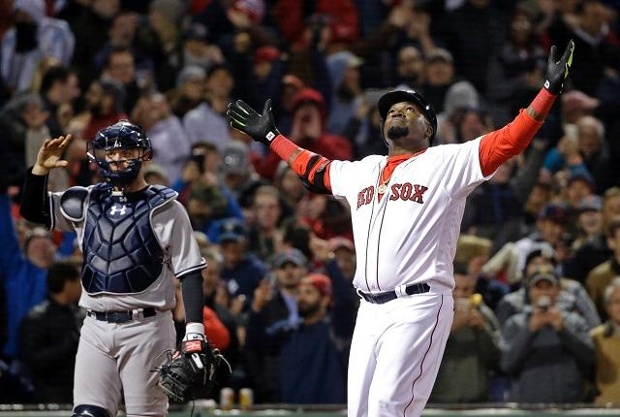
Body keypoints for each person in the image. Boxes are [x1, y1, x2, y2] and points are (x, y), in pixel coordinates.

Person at [227, 40, 575, 416]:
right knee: (360, 412)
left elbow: (508, 141)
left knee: (386, 410)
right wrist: (271, 138)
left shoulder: (446, 162)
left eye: (410, 109)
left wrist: (548, 92)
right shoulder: (363, 169)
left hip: (418, 303)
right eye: (392, 110)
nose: (398, 113)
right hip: (369, 309)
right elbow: (315, 170)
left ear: (428, 127)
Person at [19, 120, 213, 417]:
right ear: (98, 157)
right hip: (95, 325)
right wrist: (40, 171)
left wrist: (194, 332)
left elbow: (189, 272)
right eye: (109, 152)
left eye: (126, 151)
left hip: (146, 326)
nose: (117, 158)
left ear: (143, 154)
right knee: (86, 414)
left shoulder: (166, 207)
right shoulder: (86, 199)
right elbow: (33, 212)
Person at [19, 260, 85, 404]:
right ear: (68, 284)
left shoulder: (81, 315)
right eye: (78, 281)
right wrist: (72, 341)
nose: (81, 286)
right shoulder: (36, 318)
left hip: (82, 390)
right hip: (50, 396)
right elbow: (34, 360)